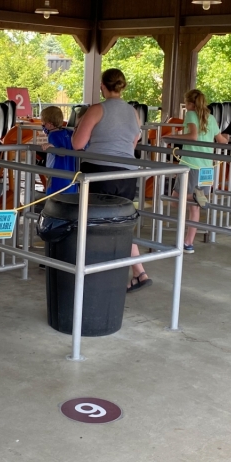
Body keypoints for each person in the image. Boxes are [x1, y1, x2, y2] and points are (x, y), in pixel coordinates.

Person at [70, 68, 148, 293]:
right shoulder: (133, 111)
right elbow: (134, 141)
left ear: (102, 86)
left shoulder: (97, 109)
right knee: (121, 222)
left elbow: (77, 143)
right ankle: (139, 272)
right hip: (126, 172)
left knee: (94, 222)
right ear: (122, 87)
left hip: (99, 170)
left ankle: (95, 272)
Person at [171, 90, 227, 253]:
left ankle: (194, 196)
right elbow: (221, 141)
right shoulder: (211, 118)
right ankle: (188, 243)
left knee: (175, 199)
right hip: (207, 168)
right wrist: (227, 138)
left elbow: (193, 136)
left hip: (191, 164)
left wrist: (174, 137)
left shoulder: (190, 114)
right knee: (194, 207)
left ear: (189, 103)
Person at [40, 106, 77, 195]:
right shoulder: (68, 132)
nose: (43, 125)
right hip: (71, 173)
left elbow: (60, 151)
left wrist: (51, 146)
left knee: (53, 198)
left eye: (43, 122)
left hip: (57, 174)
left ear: (49, 124)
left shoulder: (53, 135)